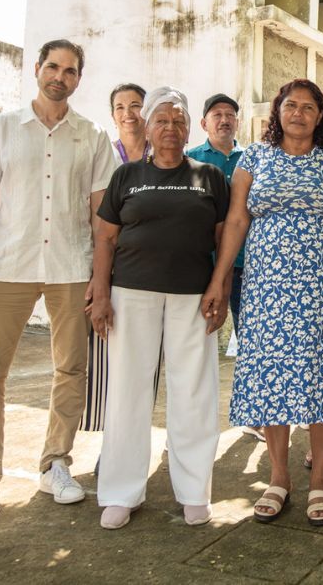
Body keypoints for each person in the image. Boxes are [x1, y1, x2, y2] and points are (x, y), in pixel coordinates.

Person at [201, 78, 323, 527]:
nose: (298, 113)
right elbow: (236, 219)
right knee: (270, 372)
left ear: (320, 116)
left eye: (309, 107)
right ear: (278, 112)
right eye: (290, 106)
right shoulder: (253, 156)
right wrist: (219, 280)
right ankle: (279, 477)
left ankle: (319, 481)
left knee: (321, 375)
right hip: (266, 287)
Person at [0, 39, 116, 520]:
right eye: (53, 66)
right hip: (6, 264)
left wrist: (100, 278)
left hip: (70, 267)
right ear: (37, 69)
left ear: (78, 79)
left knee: (71, 370)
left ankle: (55, 464)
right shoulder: (2, 128)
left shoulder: (91, 136)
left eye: (70, 71)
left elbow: (101, 217)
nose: (60, 76)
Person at [87, 88, 230, 529]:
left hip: (193, 297)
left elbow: (224, 239)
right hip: (131, 295)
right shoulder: (126, 176)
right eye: (162, 120)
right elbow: (105, 238)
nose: (171, 128)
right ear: (147, 127)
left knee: (194, 392)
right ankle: (120, 491)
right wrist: (100, 291)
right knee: (127, 391)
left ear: (191, 128)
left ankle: (193, 491)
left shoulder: (210, 176)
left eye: (179, 120)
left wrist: (219, 287)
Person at [83, 83, 149, 434]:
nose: (129, 113)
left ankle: (134, 435)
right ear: (112, 115)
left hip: (149, 269)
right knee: (105, 356)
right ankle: (109, 438)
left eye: (136, 105)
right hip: (109, 265)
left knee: (146, 362)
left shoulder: (165, 155)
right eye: (120, 107)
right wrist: (98, 276)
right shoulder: (102, 154)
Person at [186, 94, 247, 360]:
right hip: (203, 260)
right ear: (204, 123)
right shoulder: (189, 160)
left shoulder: (252, 159)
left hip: (245, 261)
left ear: (237, 122)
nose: (224, 120)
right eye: (217, 115)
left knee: (249, 330)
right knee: (198, 332)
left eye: (230, 115)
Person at [109, 83, 149, 162]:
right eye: (120, 107)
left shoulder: (160, 152)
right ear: (113, 116)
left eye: (134, 105)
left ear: (147, 111)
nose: (127, 113)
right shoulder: (105, 153)